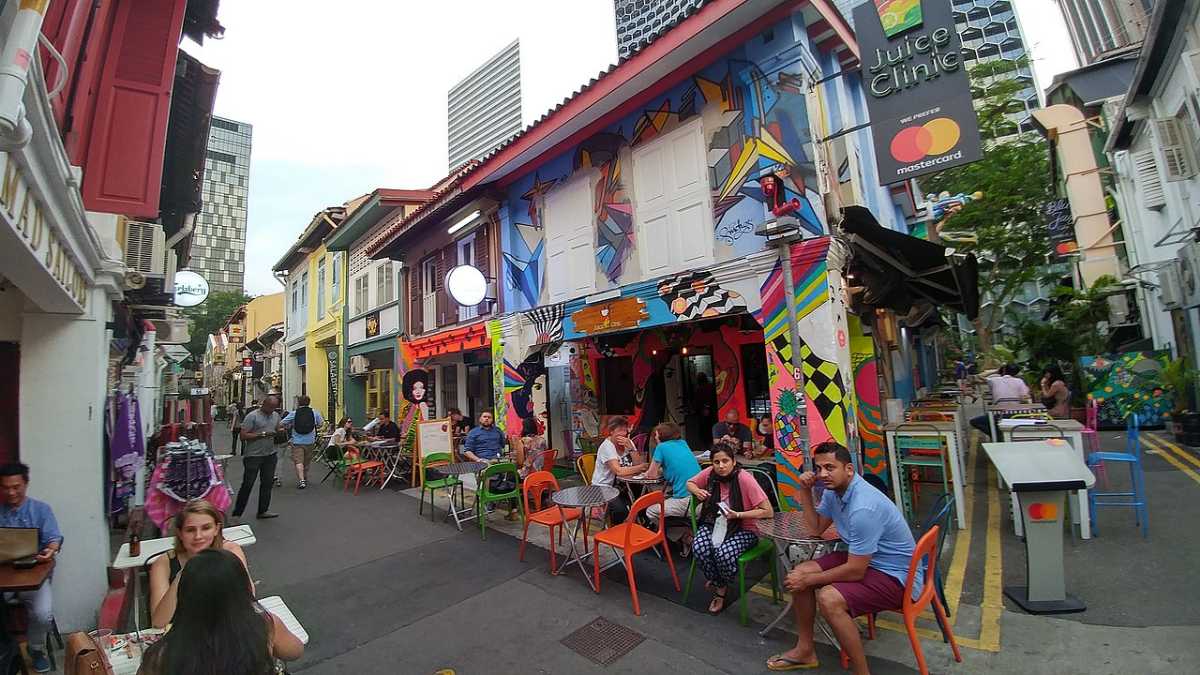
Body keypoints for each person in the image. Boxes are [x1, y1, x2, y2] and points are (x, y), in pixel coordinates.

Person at [766, 442, 920, 674]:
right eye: (819, 469)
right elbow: (816, 528)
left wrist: (811, 582)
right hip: (869, 562)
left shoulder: (863, 508)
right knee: (798, 573)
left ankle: (862, 672)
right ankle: (805, 650)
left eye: (830, 467)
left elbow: (856, 571)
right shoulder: (833, 492)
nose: (823, 474)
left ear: (849, 469)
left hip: (896, 576)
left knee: (828, 599)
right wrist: (806, 491)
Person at [136, 548, 303, 675]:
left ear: (184, 595)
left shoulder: (161, 654)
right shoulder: (265, 626)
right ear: (240, 590)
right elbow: (295, 651)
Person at [684, 444, 773, 614]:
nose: (721, 466)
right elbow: (689, 483)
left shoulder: (744, 478)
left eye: (725, 461)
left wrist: (738, 515)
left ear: (733, 461)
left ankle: (720, 590)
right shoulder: (711, 473)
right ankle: (720, 581)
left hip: (745, 527)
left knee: (724, 554)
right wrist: (697, 491)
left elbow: (767, 511)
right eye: (716, 462)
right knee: (699, 547)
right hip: (715, 522)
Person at [0, 463, 62, 673]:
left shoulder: (41, 510)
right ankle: (6, 651)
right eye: (5, 487)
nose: (11, 492)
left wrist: (51, 550)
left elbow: (54, 539)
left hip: (32, 578)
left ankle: (36, 649)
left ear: (25, 484)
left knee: (42, 613)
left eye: (16, 486)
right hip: (3, 578)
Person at [148, 500, 248, 628]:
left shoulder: (230, 551)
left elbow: (247, 598)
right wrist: (183, 574)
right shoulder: (164, 563)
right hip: (183, 632)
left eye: (206, 528)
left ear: (216, 529)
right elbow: (158, 622)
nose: (198, 536)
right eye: (190, 530)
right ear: (180, 533)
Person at [643, 422, 702, 550]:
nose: (655, 438)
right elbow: (676, 466)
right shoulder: (683, 443)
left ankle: (684, 536)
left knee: (650, 511)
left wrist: (648, 470)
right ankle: (685, 531)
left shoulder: (661, 448)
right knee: (665, 498)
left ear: (661, 436)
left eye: (656, 435)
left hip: (687, 502)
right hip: (701, 499)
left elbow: (651, 475)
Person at [232, 396, 282, 520]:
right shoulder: (252, 416)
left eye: (274, 408)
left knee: (267, 483)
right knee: (248, 484)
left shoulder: (275, 416)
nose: (271, 410)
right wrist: (262, 434)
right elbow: (243, 436)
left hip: (270, 454)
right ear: (263, 404)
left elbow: (277, 428)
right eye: (270, 407)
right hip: (253, 456)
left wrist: (280, 430)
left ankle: (263, 510)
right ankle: (237, 514)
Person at [591, 416, 648, 524]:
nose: (623, 433)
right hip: (603, 487)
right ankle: (617, 531)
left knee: (645, 498)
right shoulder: (607, 447)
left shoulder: (628, 443)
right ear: (611, 432)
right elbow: (619, 471)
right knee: (621, 510)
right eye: (620, 430)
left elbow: (638, 463)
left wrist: (631, 448)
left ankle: (643, 525)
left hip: (623, 485)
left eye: (625, 430)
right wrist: (640, 467)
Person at [969, 363, 1031, 439]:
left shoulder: (994, 380)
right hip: (1016, 414)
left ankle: (996, 435)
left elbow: (978, 376)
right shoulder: (1020, 381)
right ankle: (1000, 434)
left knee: (974, 422)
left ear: (1003, 371)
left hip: (998, 414)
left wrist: (996, 371)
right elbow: (1025, 397)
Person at [279, 395, 323, 490]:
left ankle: (301, 480)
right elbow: (320, 424)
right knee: (306, 461)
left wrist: (289, 426)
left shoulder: (294, 413)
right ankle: (305, 476)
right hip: (310, 441)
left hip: (297, 441)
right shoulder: (315, 412)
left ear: (299, 403)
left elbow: (282, 423)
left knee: (299, 461)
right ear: (309, 402)